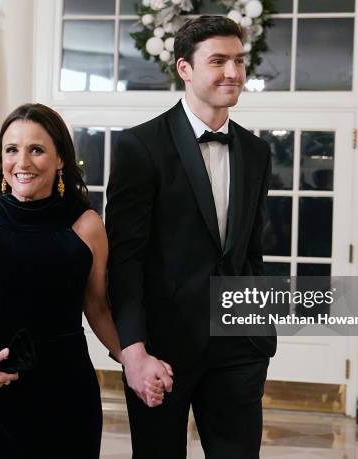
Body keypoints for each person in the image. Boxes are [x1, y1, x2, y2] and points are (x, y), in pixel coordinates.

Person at [0, 103, 165, 458]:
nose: (22, 162)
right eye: (12, 150)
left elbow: (97, 308)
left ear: (60, 158)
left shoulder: (87, 225)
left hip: (70, 386)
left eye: (36, 149)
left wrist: (133, 361)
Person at [106, 15, 276, 458]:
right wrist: (133, 351)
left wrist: (259, 331)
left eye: (238, 61)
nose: (233, 73)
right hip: (164, 348)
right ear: (185, 68)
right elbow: (125, 261)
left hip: (240, 346)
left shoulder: (257, 153)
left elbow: (251, 252)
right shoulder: (139, 147)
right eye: (218, 61)